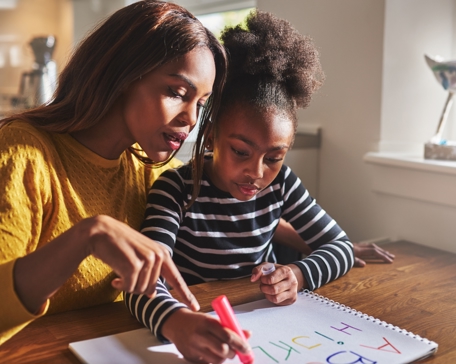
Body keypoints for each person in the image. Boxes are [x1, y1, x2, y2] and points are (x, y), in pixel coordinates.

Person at [0, 1, 252, 352]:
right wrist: (86, 236)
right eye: (178, 93)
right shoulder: (24, 151)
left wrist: (310, 245)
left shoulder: (150, 171)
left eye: (201, 103)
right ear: (120, 77)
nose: (191, 119)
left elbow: (216, 198)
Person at [126, 10, 355, 364]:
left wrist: (297, 274)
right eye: (240, 151)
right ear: (213, 133)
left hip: (266, 328)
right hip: (197, 327)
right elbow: (143, 280)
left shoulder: (281, 185)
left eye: (274, 157)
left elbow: (341, 248)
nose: (256, 172)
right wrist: (176, 320)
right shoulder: (176, 189)